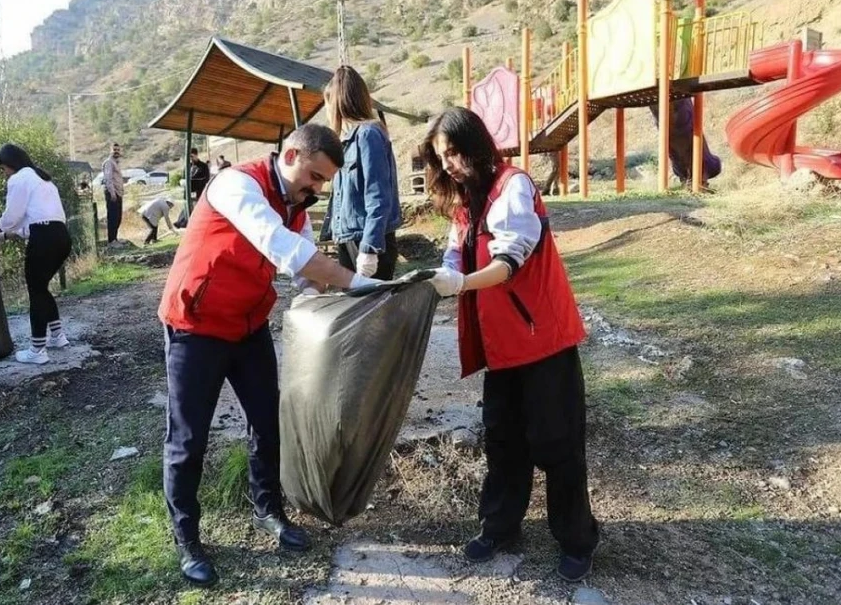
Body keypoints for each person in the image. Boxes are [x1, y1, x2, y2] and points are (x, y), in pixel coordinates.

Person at [158, 124, 381, 587]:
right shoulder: (236, 184)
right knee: (188, 439)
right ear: (291, 154)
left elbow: (303, 273)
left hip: (247, 325)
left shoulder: (295, 204)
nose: (316, 188)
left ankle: (268, 509)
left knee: (268, 422)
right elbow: (285, 250)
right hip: (195, 324)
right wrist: (359, 285)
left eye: (323, 182)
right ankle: (187, 537)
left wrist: (325, 289)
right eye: (314, 176)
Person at [422, 108, 600, 582]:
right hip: (502, 347)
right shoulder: (465, 205)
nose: (452, 165)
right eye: (444, 159)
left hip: (544, 340)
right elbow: (452, 256)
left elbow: (509, 261)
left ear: (477, 145)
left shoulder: (513, 188)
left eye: (456, 153)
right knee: (502, 440)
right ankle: (500, 525)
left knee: (557, 441)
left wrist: (460, 284)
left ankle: (577, 539)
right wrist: (433, 281)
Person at [0, 144, 72, 365]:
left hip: (43, 239)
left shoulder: (18, 179)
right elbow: (28, 224)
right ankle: (57, 336)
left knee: (36, 292)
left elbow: (11, 218)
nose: (3, 174)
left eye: (2, 169)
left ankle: (37, 350)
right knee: (41, 288)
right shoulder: (42, 179)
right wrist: (2, 236)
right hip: (61, 236)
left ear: (9, 164)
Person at [324, 65, 403, 280]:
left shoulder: (368, 135)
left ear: (338, 102)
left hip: (367, 239)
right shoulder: (347, 141)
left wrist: (369, 248)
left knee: (371, 309)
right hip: (349, 237)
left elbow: (378, 195)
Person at [102, 143, 124, 245]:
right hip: (112, 193)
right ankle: (111, 241)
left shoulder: (116, 163)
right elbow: (108, 179)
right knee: (113, 217)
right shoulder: (109, 163)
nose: (116, 151)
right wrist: (112, 193)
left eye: (118, 150)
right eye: (114, 149)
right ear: (110, 150)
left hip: (118, 193)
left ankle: (115, 238)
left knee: (118, 217)